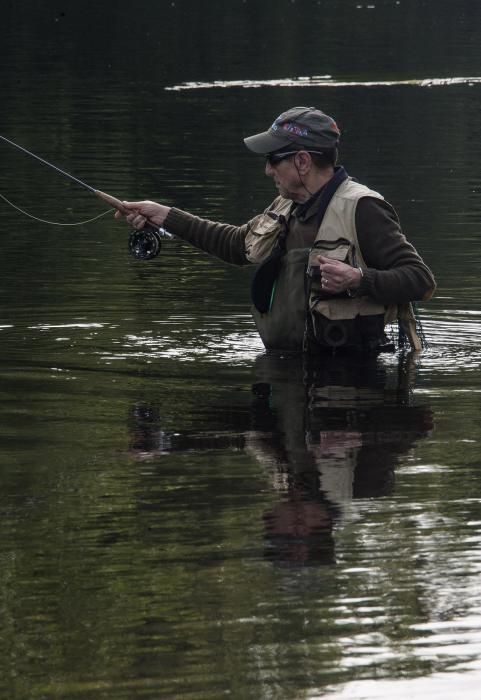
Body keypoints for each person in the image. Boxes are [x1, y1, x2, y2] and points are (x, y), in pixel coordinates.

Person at [116, 106, 436, 354]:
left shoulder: (363, 208)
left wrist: (359, 279)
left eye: (273, 159)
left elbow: (420, 281)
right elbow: (237, 244)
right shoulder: (286, 204)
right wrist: (164, 215)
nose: (268, 169)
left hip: (354, 386)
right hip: (288, 374)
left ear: (302, 161)